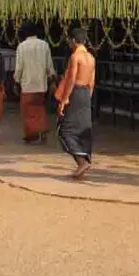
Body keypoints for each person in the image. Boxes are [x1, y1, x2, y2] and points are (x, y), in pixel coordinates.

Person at [54, 27, 96, 180]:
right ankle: (83, 160)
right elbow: (92, 81)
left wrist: (65, 99)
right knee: (82, 127)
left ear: (73, 41)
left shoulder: (75, 57)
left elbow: (70, 79)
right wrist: (87, 98)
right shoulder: (91, 58)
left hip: (75, 91)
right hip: (85, 93)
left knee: (64, 130)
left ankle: (81, 161)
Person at [14, 23, 56, 144]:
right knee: (39, 109)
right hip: (41, 85)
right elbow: (49, 66)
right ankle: (42, 132)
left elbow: (19, 68)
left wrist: (16, 81)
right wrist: (52, 79)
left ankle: (31, 135)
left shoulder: (21, 47)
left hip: (27, 85)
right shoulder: (44, 45)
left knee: (27, 111)